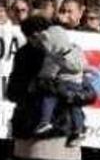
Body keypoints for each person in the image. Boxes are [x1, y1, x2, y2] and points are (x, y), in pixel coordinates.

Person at [7, 15, 93, 160]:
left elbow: (88, 92)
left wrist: (68, 92)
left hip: (64, 132)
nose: (37, 40)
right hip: (32, 131)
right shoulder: (25, 55)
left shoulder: (67, 50)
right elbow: (13, 92)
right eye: (31, 37)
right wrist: (40, 86)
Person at [33, 24, 86, 145]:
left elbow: (76, 67)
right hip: (69, 84)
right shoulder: (66, 52)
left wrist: (44, 77)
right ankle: (77, 130)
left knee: (51, 97)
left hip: (70, 84)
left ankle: (46, 121)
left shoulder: (61, 55)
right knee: (73, 108)